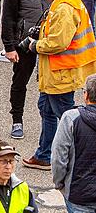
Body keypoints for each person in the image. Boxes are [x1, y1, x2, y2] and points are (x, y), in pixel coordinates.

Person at [21, 0, 96, 171]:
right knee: (46, 109)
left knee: (68, 118)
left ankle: (79, 159)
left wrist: (34, 45)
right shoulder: (63, 0)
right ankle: (45, 155)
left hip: (62, 73)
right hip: (57, 72)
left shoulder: (64, 8)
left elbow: (58, 43)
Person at [2, 0, 50, 138]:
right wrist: (9, 47)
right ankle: (17, 121)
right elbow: (7, 18)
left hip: (48, 42)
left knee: (49, 84)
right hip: (25, 43)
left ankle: (49, 123)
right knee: (20, 82)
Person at [51, 73, 96, 213]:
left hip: (79, 195)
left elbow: (59, 157)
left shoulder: (71, 118)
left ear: (86, 95)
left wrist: (59, 183)